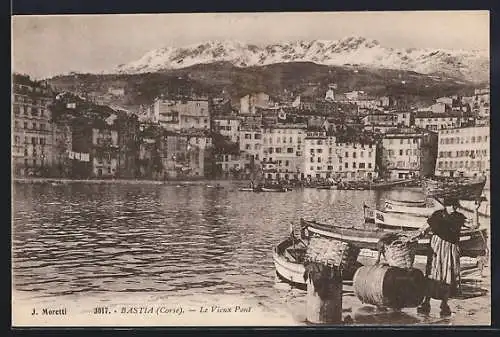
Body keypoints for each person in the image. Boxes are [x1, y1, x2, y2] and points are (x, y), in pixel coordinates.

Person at [414, 198, 470, 317]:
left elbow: (473, 225)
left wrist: (476, 209)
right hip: (437, 246)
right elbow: (425, 227)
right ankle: (426, 302)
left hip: (451, 248)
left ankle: (444, 304)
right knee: (433, 273)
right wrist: (416, 235)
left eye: (455, 205)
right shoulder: (437, 215)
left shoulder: (459, 217)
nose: (454, 208)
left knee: (448, 275)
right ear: (446, 205)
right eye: (451, 205)